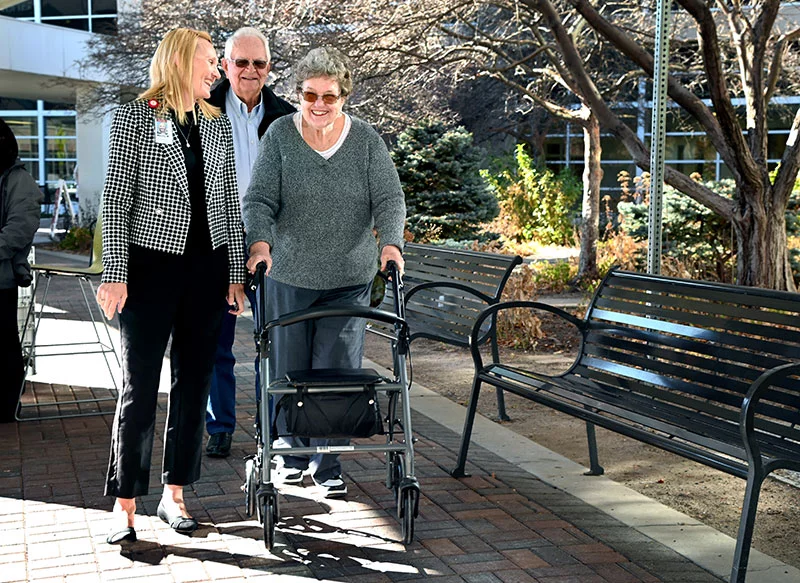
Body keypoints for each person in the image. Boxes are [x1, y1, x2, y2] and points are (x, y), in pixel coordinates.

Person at [96, 27, 246, 543]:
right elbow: (115, 198)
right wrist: (115, 272)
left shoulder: (217, 123)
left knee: (194, 384)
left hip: (206, 271)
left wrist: (234, 276)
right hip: (150, 268)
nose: (217, 70)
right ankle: (125, 503)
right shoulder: (136, 117)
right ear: (182, 62)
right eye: (210, 61)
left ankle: (175, 494)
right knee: (139, 387)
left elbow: (229, 202)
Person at [242, 47, 406, 499]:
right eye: (310, 94)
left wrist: (390, 243)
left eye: (329, 96)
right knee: (288, 368)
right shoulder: (279, 135)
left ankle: (328, 460)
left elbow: (389, 199)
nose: (319, 104)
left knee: (336, 372)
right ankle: (289, 456)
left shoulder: (367, 140)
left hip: (347, 277)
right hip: (288, 274)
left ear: (343, 96)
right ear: (298, 94)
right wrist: (260, 243)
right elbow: (259, 200)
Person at [204, 27, 295, 459]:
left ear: (269, 68)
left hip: (271, 247)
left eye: (259, 63)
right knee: (214, 342)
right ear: (225, 65)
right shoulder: (200, 109)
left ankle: (271, 425)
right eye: (241, 62)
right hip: (215, 242)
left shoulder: (288, 116)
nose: (250, 70)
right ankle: (218, 426)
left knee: (272, 340)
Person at [0, 119, 42, 423]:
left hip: (2, 276)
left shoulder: (19, 181)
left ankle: (6, 406)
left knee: (3, 342)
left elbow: (19, 230)